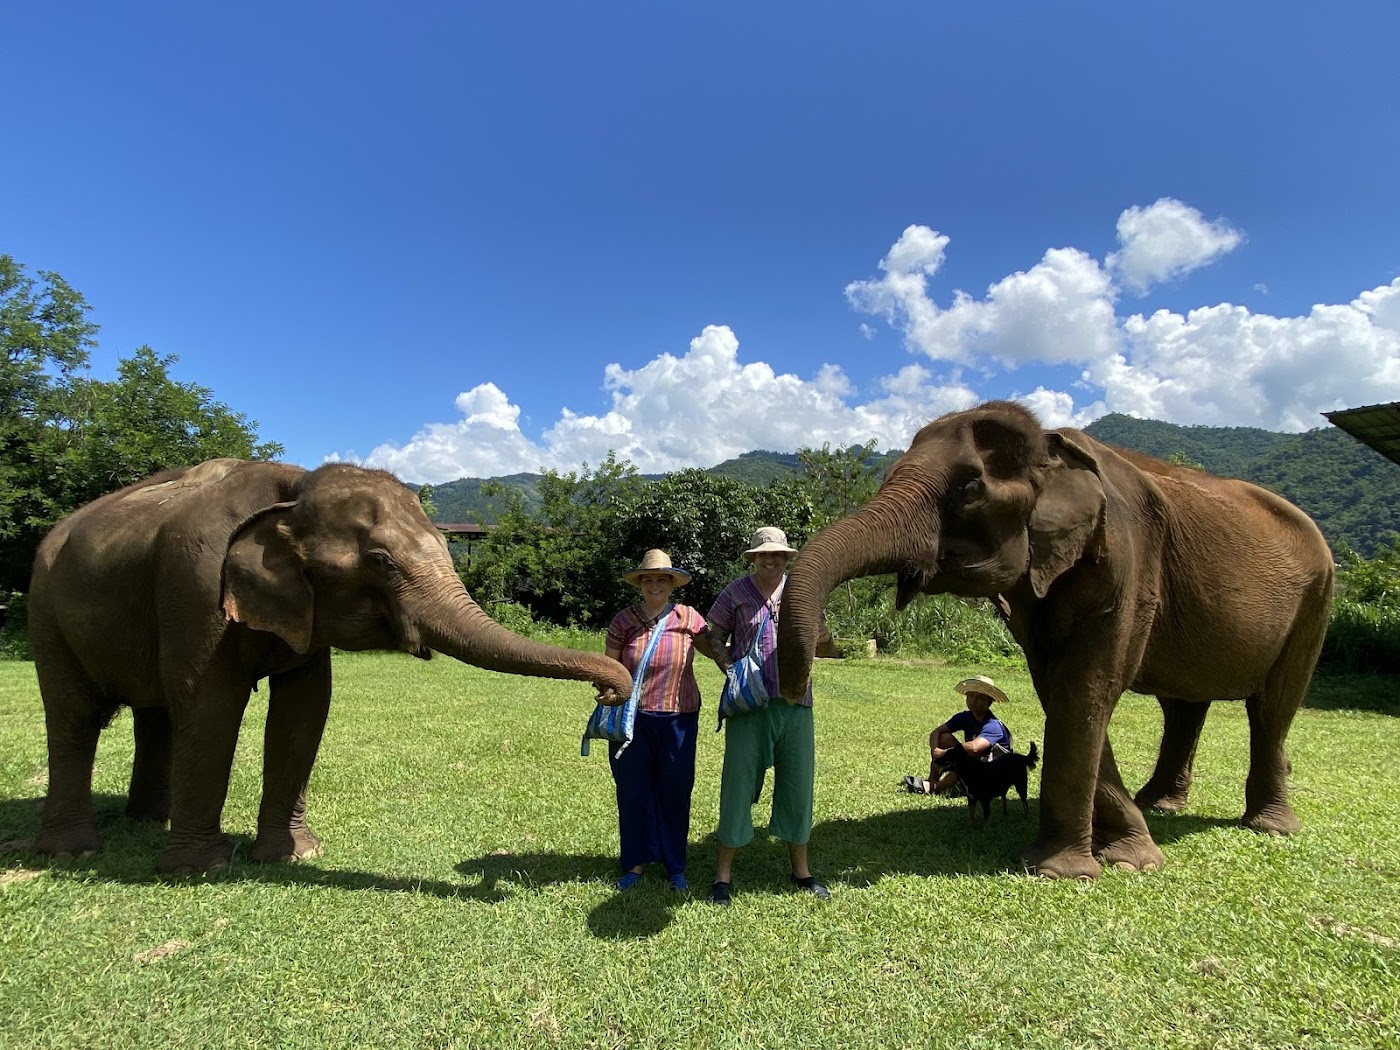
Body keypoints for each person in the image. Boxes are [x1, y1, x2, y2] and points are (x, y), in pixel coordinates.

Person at [703, 526, 833, 906]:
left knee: (798, 786)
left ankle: (802, 871)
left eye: (777, 554)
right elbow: (712, 634)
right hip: (749, 705)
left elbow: (824, 642)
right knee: (737, 784)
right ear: (753, 558)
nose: (770, 559)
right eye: (763, 554)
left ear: (787, 557)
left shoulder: (801, 590)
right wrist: (730, 667)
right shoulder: (736, 592)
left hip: (796, 702)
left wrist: (818, 635)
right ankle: (722, 877)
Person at [604, 548, 717, 892]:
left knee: (676, 791)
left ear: (672, 583)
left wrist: (739, 669)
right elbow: (607, 668)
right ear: (640, 583)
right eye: (648, 579)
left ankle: (675, 866)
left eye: (661, 579)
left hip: (679, 718)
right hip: (631, 720)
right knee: (633, 791)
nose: (655, 585)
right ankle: (634, 864)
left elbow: (716, 648)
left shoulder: (689, 618)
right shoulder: (623, 621)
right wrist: (606, 691)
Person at [903, 675, 1013, 796]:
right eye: (970, 695)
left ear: (989, 701)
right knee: (945, 737)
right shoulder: (965, 717)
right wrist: (935, 750)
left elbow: (975, 747)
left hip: (994, 776)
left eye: (979, 697)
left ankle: (936, 788)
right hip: (978, 765)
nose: (973, 700)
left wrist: (945, 753)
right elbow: (936, 732)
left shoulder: (993, 725)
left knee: (966, 762)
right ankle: (932, 781)